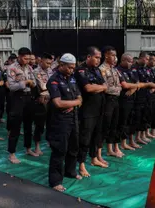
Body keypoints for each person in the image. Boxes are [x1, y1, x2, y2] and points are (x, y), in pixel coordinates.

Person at [46, 53, 82, 192]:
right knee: (59, 150)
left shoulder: (72, 78)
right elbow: (58, 103)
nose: (72, 70)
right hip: (60, 120)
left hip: (73, 118)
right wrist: (75, 103)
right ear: (61, 65)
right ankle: (55, 181)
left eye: (73, 68)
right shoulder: (53, 80)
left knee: (74, 147)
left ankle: (70, 171)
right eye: (69, 67)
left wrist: (73, 104)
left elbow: (80, 97)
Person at [74, 46, 108, 177]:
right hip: (87, 110)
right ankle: (81, 164)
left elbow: (105, 86)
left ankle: (94, 158)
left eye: (100, 58)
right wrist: (100, 87)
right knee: (85, 137)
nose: (99, 60)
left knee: (96, 135)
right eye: (97, 57)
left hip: (99, 107)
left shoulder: (97, 70)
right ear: (89, 57)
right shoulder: (81, 70)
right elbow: (88, 88)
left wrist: (98, 87)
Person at [6, 47, 37, 163]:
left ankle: (28, 148)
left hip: (29, 98)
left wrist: (31, 83)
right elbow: (12, 86)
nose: (28, 61)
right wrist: (25, 83)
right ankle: (12, 153)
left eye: (29, 59)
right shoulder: (12, 68)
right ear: (19, 56)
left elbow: (34, 81)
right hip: (17, 98)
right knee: (15, 127)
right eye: (25, 58)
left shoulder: (29, 67)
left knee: (28, 126)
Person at [99, 46, 123, 160]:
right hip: (108, 99)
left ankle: (114, 147)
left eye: (115, 55)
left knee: (115, 124)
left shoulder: (114, 69)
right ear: (106, 55)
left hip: (116, 99)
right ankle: (107, 149)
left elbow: (119, 84)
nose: (114, 58)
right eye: (112, 55)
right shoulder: (102, 69)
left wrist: (117, 89)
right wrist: (117, 89)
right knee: (106, 125)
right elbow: (105, 88)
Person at [116, 53, 139, 151]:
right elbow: (124, 85)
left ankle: (130, 140)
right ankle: (122, 143)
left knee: (131, 120)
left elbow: (137, 82)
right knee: (123, 122)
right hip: (123, 100)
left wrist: (133, 89)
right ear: (123, 60)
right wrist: (134, 86)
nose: (131, 63)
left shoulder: (131, 70)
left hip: (132, 98)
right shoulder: (118, 70)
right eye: (129, 61)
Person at [33, 53, 54, 156]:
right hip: (41, 100)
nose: (49, 65)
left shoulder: (50, 71)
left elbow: (54, 84)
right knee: (40, 124)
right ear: (41, 61)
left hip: (51, 99)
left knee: (51, 123)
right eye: (47, 63)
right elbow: (42, 86)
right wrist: (51, 87)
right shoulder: (36, 72)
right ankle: (37, 146)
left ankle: (50, 141)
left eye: (50, 63)